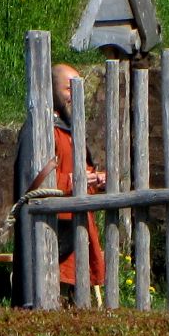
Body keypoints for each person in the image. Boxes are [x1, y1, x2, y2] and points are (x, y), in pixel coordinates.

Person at [52, 63, 108, 298]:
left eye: (77, 89)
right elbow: (38, 182)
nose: (74, 96)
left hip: (80, 229)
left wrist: (94, 180)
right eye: (68, 89)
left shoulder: (73, 131)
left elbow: (83, 174)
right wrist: (71, 182)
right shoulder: (46, 131)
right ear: (53, 90)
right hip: (58, 230)